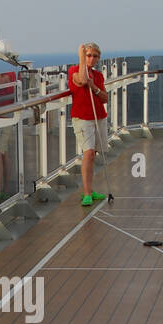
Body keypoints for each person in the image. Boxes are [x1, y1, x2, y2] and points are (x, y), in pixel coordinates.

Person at [68, 42, 109, 206]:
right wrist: (80, 57)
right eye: (88, 55)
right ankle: (86, 193)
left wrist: (95, 88)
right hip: (83, 118)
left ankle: (90, 189)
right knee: (88, 153)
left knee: (94, 154)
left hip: (99, 116)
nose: (92, 59)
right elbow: (83, 80)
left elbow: (105, 98)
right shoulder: (74, 71)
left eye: (95, 56)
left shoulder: (98, 76)